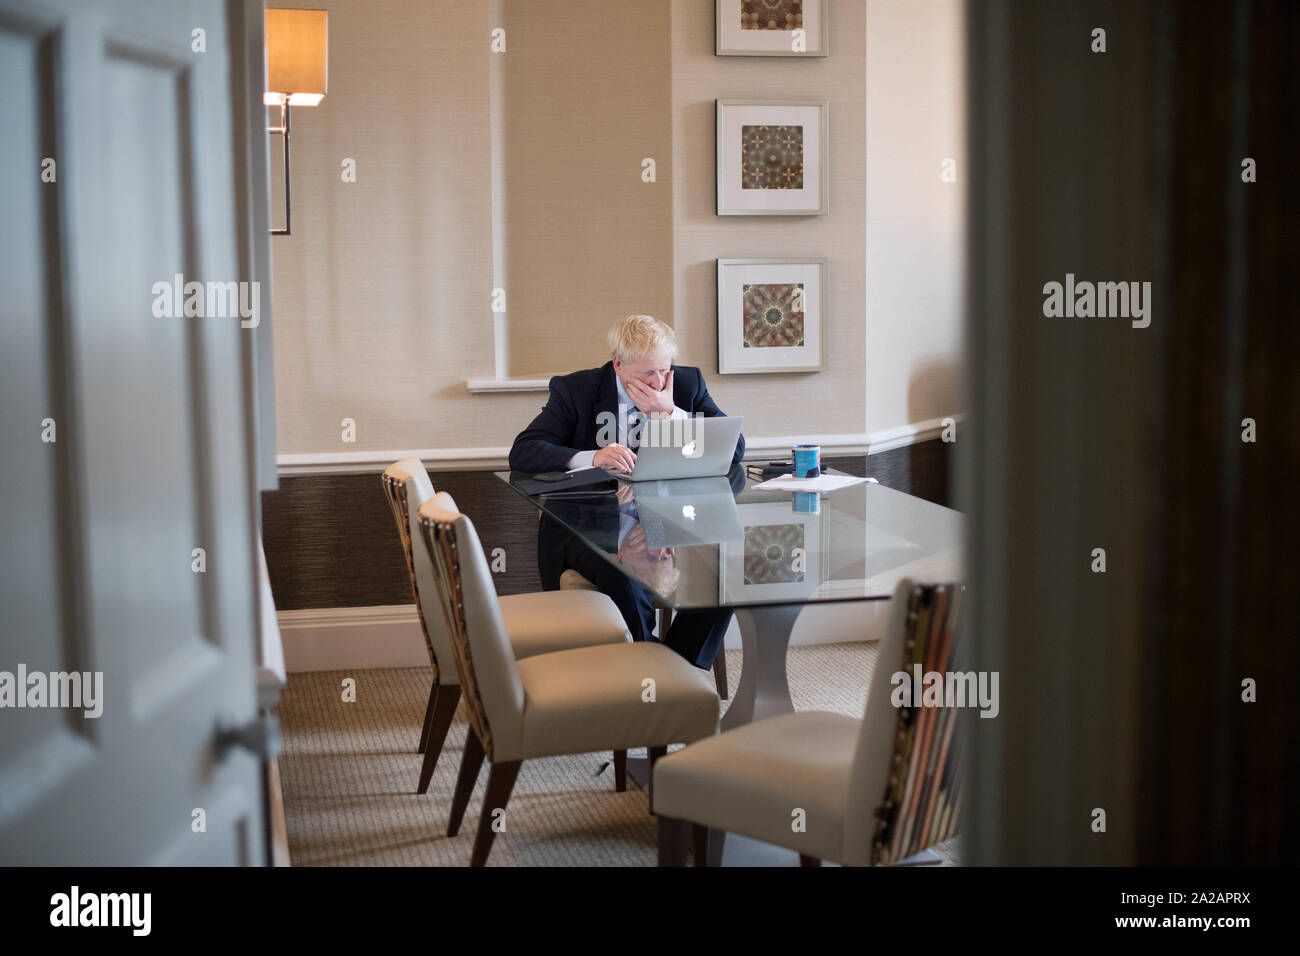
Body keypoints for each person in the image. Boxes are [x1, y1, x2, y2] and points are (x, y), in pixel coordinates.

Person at [508, 314, 745, 671]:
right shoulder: (577, 390)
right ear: (619, 364)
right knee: (629, 576)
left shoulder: (684, 385)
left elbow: (735, 450)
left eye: (665, 369)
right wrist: (593, 457)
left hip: (672, 521)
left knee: (725, 574)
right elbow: (524, 451)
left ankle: (679, 672)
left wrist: (672, 413)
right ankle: (647, 676)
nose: (660, 380)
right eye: (648, 373)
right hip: (586, 526)